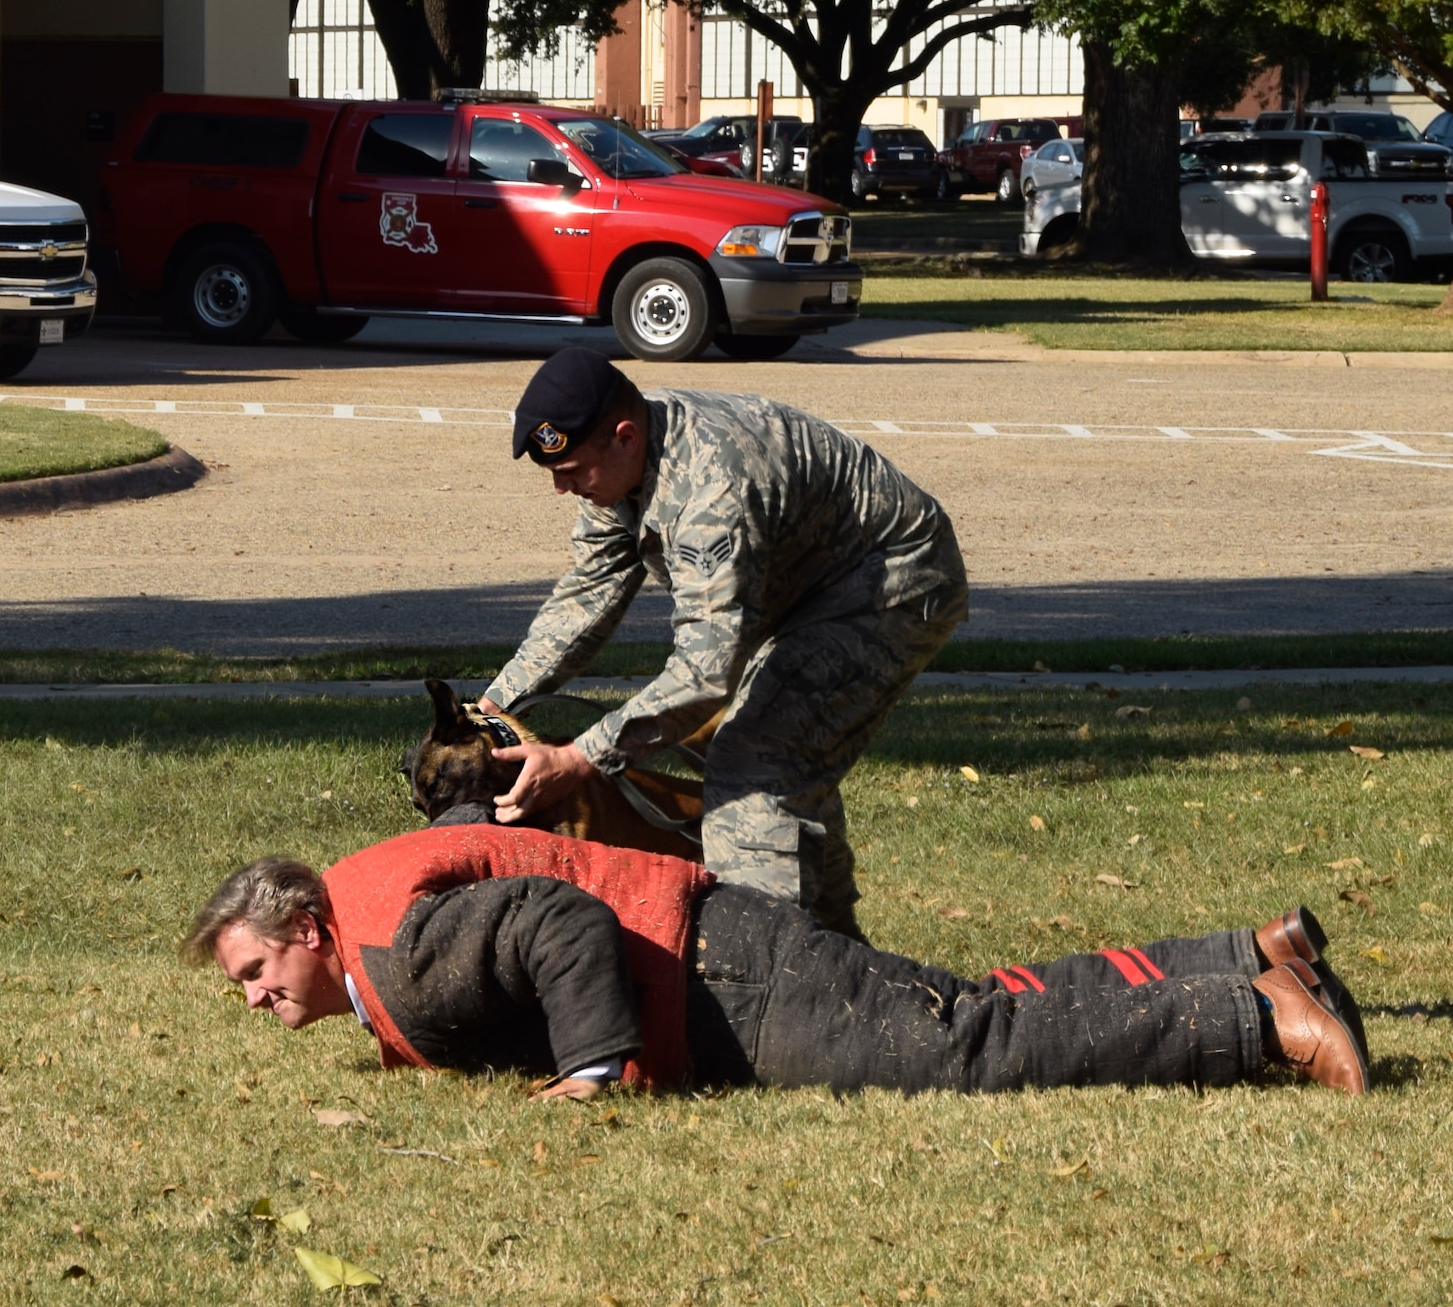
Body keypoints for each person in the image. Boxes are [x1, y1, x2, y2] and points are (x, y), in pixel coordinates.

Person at [183, 826, 1369, 1099]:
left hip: (718, 981)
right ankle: (1244, 952)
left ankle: (1253, 1020)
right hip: (723, 934)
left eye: (250, 970)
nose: (251, 997)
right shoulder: (372, 912)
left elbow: (552, 925)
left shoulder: (394, 950)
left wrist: (594, 1067)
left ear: (303, 927)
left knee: (960, 1050)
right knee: (958, 1003)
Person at [477, 347, 969, 940]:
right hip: (801, 593)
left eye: (573, 470)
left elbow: (706, 675)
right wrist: (493, 706)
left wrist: (579, 758)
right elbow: (588, 594)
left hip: (888, 582)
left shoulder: (709, 490)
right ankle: (842, 959)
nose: (562, 488)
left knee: (756, 760)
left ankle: (767, 969)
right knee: (774, 762)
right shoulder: (619, 473)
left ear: (625, 437)